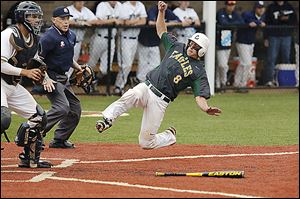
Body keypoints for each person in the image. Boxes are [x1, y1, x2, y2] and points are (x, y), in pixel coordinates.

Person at [95, 1, 222, 150]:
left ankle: (169, 136)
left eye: (196, 47)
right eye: (192, 43)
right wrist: (161, 12)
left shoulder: (199, 71)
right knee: (132, 94)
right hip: (147, 87)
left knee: (146, 143)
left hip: (160, 101)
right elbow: (161, 30)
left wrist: (206, 108)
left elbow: (199, 95)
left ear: (202, 52)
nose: (192, 47)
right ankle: (108, 119)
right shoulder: (177, 46)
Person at [1, 1, 54, 168]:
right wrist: (25, 73)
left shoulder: (34, 38)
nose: (36, 20)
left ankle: (29, 158)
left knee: (39, 117)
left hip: (12, 85)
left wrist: (44, 78)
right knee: (3, 118)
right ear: (21, 17)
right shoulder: (9, 34)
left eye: (37, 16)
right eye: (32, 16)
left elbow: (35, 64)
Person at [38, 6, 84, 149]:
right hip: (50, 77)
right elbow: (37, 61)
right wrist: (45, 78)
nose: (66, 22)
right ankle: (35, 134)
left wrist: (79, 68)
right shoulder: (48, 37)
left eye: (67, 19)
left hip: (63, 77)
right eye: (62, 19)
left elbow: (67, 57)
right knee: (62, 107)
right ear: (54, 20)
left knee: (75, 109)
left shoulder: (71, 35)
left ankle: (59, 140)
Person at [136, 1, 181, 84]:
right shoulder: (153, 10)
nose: (164, 5)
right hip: (144, 40)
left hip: (155, 42)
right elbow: (151, 22)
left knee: (155, 64)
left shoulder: (168, 12)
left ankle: (150, 82)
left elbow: (178, 21)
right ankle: (140, 82)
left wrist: (164, 23)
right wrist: (165, 23)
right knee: (143, 64)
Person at [113, 1, 147, 96]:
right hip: (124, 38)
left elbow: (144, 21)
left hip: (135, 39)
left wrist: (132, 22)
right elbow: (125, 22)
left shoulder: (140, 5)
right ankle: (118, 86)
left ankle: (119, 86)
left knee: (129, 64)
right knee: (126, 64)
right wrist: (137, 20)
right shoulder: (124, 6)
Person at [87, 1, 123, 93]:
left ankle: (94, 81)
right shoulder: (102, 5)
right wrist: (112, 20)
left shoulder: (120, 6)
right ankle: (87, 84)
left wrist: (118, 21)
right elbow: (98, 21)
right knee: (91, 63)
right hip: (99, 38)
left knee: (106, 69)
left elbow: (123, 20)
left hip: (111, 40)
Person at [262, 1, 298, 87]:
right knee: (271, 58)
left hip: (286, 35)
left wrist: (287, 19)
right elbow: (266, 23)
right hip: (273, 35)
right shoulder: (271, 7)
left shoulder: (289, 7)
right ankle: (269, 80)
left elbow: (294, 21)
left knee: (286, 58)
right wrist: (266, 37)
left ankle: (287, 80)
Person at [234, 1, 266, 93]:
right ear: (255, 8)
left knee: (242, 63)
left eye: (262, 8)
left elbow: (261, 22)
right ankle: (242, 85)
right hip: (242, 42)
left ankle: (237, 83)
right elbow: (248, 19)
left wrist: (257, 22)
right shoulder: (248, 14)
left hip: (251, 43)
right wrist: (257, 22)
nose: (261, 10)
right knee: (247, 63)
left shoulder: (262, 16)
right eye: (259, 8)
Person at [65, 1, 98, 79]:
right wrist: (80, 23)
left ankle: (64, 82)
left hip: (78, 42)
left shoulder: (85, 10)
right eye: (78, 1)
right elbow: (66, 21)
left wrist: (85, 22)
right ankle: (62, 82)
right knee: (66, 63)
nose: (80, 3)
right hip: (68, 41)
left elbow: (96, 21)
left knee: (72, 64)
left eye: (82, 1)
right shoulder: (69, 9)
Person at [216, 1, 244, 92]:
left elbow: (241, 22)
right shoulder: (221, 12)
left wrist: (230, 23)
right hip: (218, 41)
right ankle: (221, 83)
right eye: (229, 4)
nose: (231, 7)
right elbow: (223, 23)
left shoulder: (235, 14)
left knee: (223, 65)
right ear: (226, 5)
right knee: (222, 65)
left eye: (233, 5)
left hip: (227, 39)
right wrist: (232, 24)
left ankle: (220, 84)